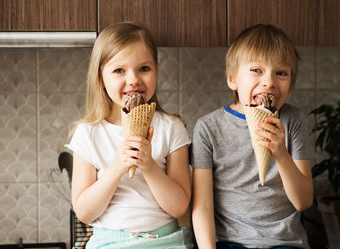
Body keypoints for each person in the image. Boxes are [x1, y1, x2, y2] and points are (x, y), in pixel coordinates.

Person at [66, 22, 193, 248]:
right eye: (119, 70)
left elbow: (179, 207)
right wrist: (117, 167)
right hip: (109, 242)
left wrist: (149, 165)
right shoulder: (88, 134)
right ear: (101, 78)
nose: (133, 79)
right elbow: (84, 212)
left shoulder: (172, 128)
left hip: (165, 242)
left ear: (156, 69)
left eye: (144, 68)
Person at [191, 24, 314, 249]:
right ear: (232, 79)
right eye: (257, 70)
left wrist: (281, 155)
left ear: (290, 84)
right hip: (230, 242)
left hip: (285, 242)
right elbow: (203, 206)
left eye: (281, 73)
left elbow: (303, 202)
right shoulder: (208, 128)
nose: (269, 82)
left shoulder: (292, 120)